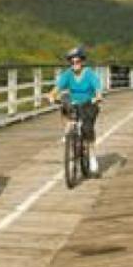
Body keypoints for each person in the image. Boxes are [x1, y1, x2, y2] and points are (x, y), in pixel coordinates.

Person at [49, 45, 102, 175]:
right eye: (71, 62)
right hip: (74, 104)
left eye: (77, 61)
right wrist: (51, 96)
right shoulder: (68, 74)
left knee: (87, 130)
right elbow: (57, 88)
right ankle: (68, 130)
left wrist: (98, 97)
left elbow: (98, 89)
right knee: (64, 100)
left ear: (82, 61)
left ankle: (93, 157)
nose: (74, 64)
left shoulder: (89, 74)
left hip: (89, 103)